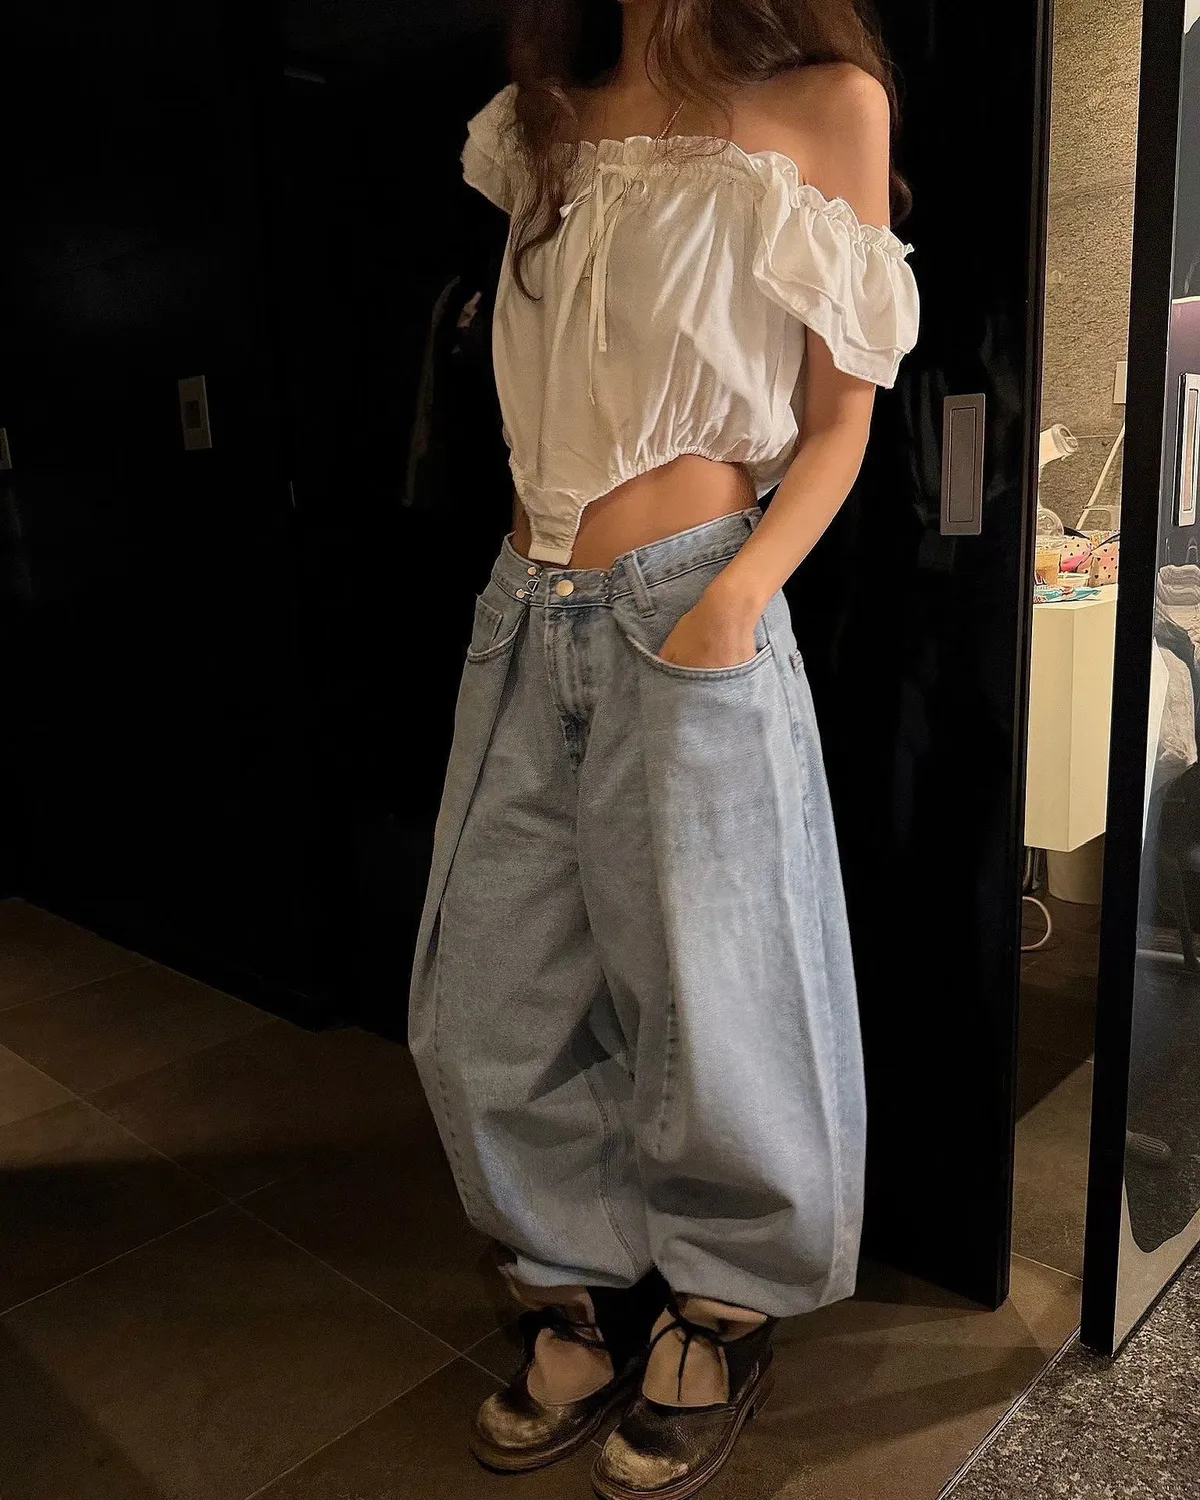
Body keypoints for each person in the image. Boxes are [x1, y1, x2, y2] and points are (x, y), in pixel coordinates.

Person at [409, 1, 920, 1494]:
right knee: (485, 995)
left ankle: (721, 1306)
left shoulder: (823, 102)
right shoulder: (541, 119)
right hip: (524, 606)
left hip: (687, 595)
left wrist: (738, 596)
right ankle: (566, 1278)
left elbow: (840, 419)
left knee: (722, 996)